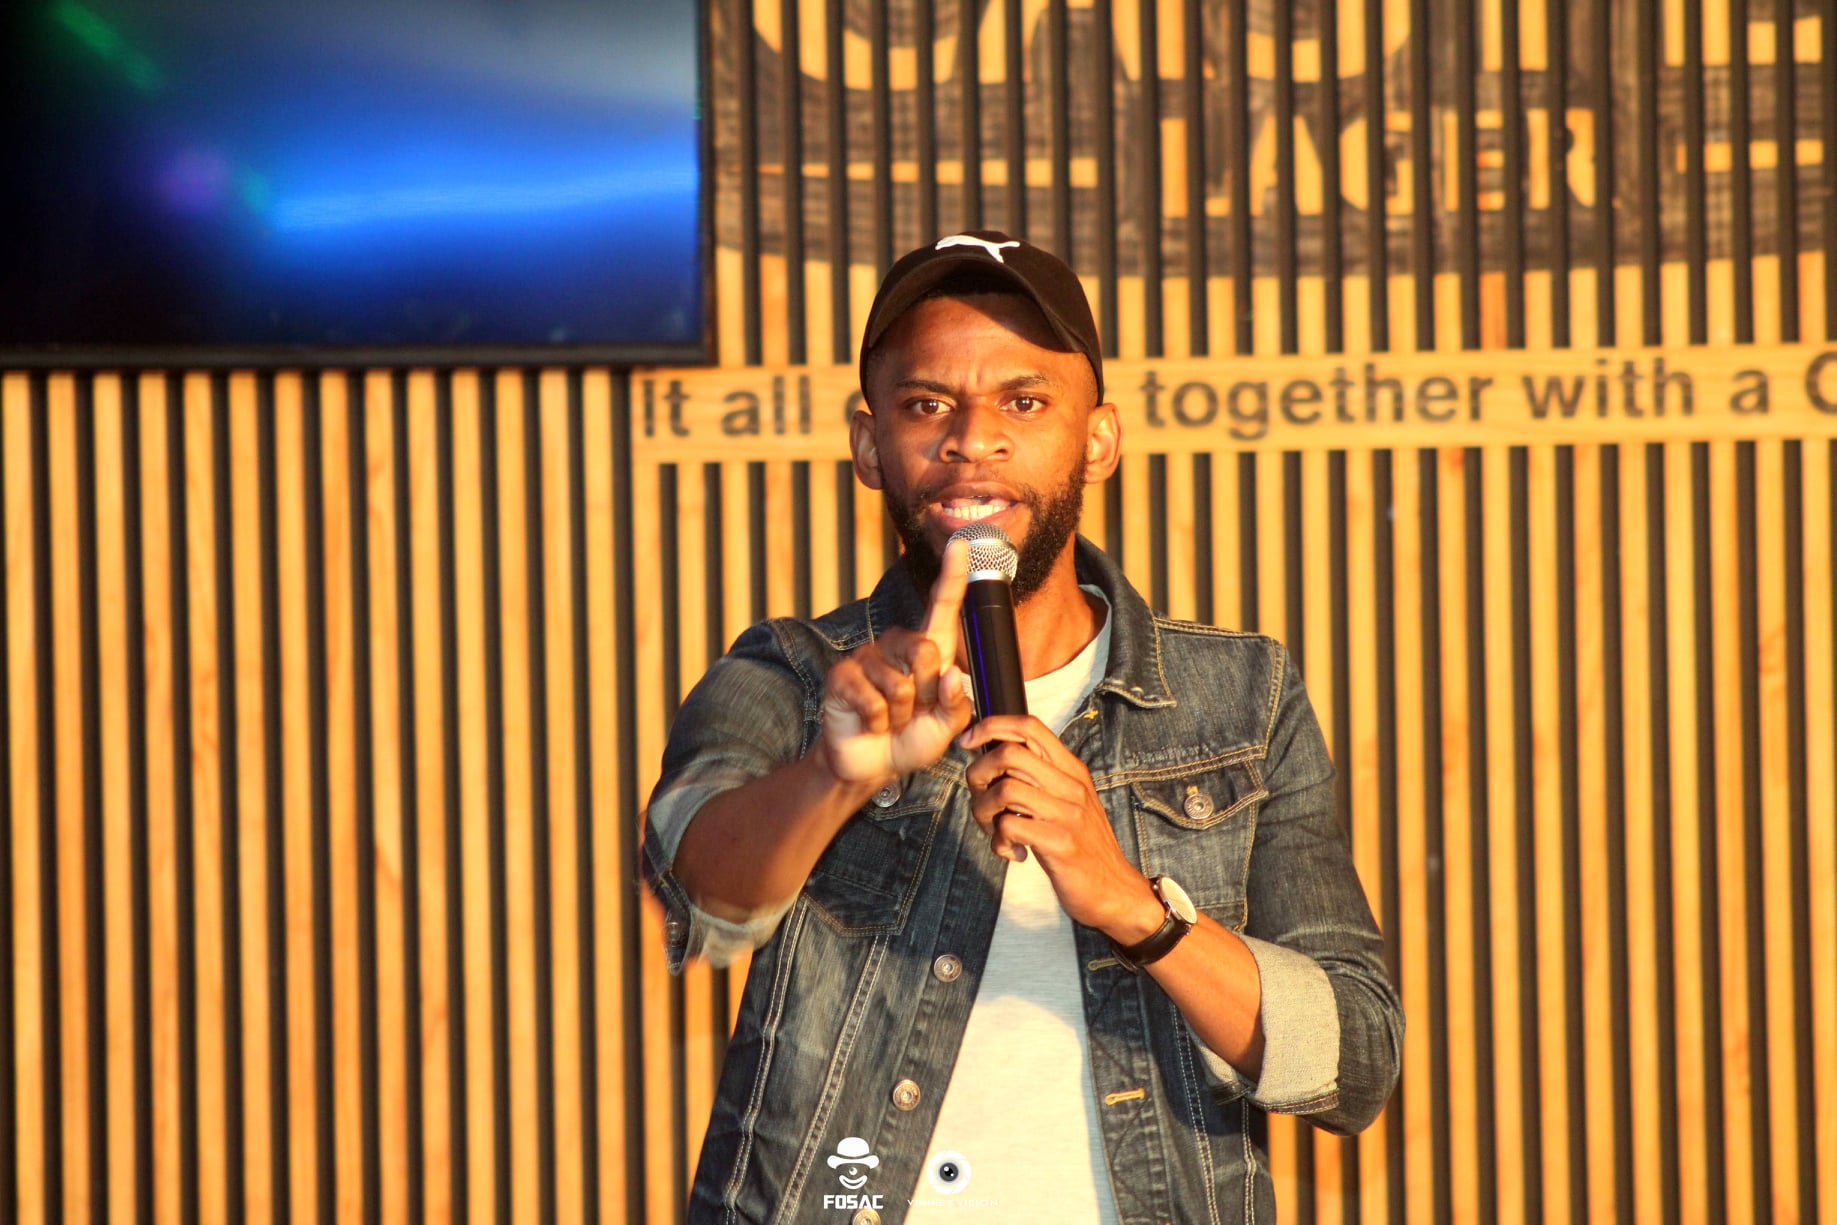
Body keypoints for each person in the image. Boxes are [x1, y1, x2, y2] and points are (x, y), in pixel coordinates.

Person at [642, 231, 1403, 1224]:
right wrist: (835, 773)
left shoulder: (1240, 696)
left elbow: (1353, 1060)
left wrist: (1133, 906)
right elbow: (698, 895)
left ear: (1099, 440)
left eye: (1024, 401)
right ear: (868, 445)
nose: (973, 438)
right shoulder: (793, 673)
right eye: (927, 405)